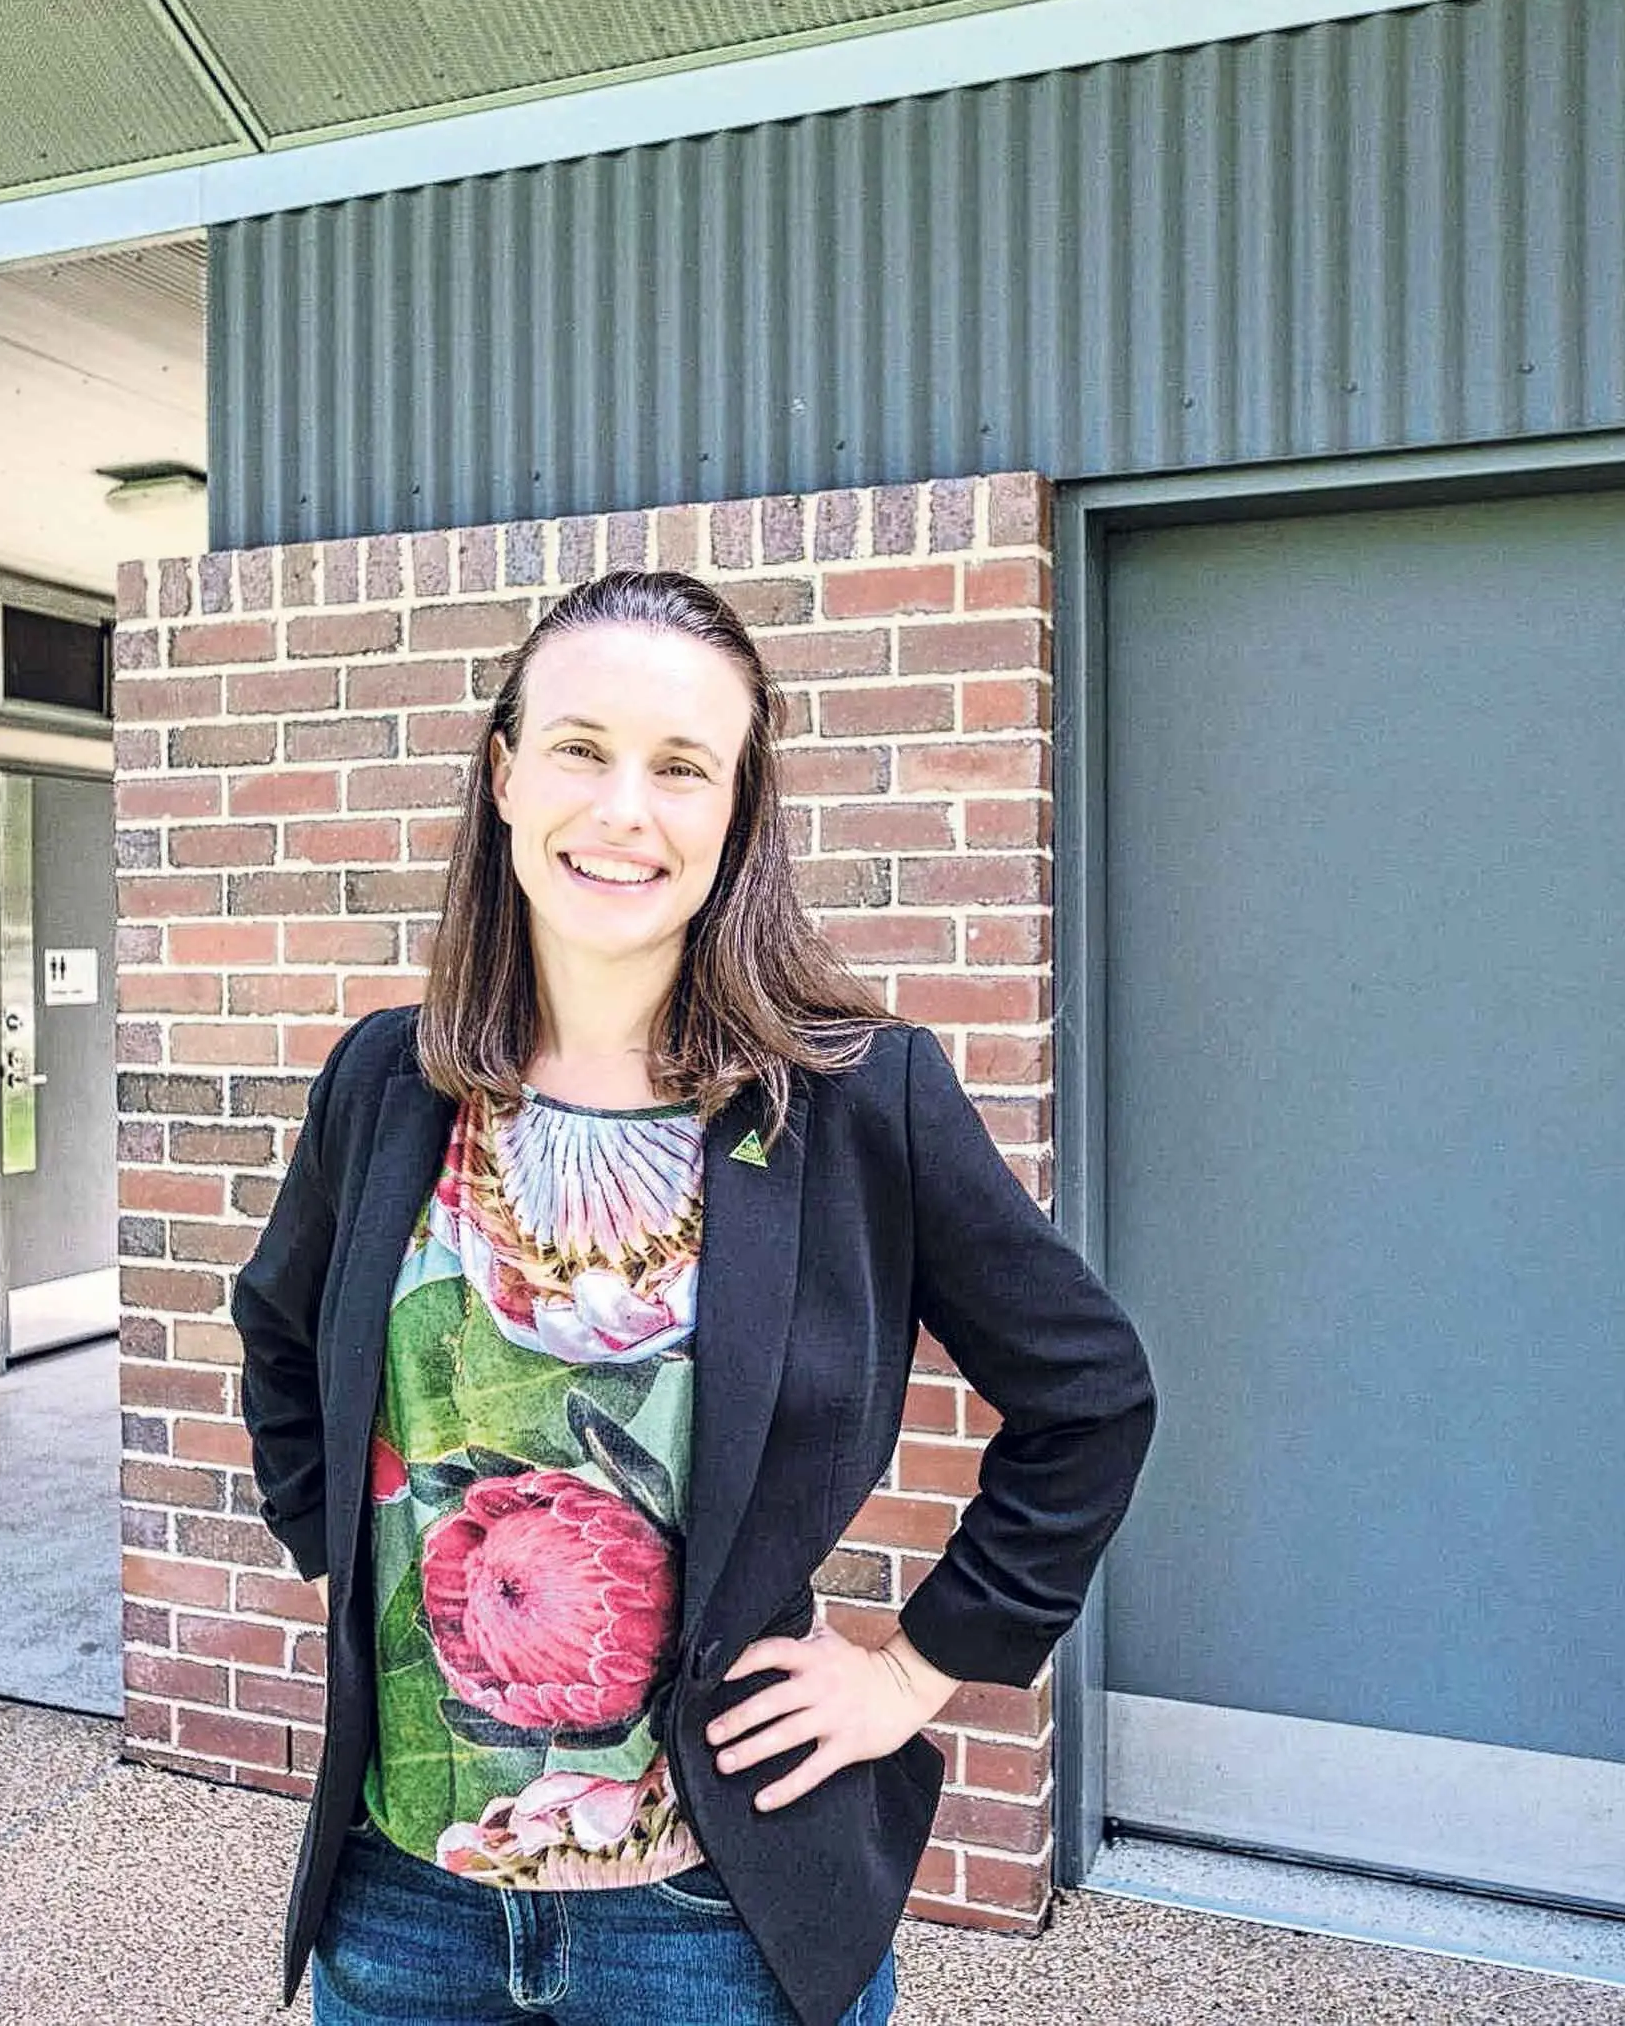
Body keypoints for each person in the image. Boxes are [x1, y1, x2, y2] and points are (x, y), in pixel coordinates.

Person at [232, 569, 1157, 2025]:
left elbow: (1090, 1395)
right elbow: (281, 1334)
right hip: (404, 1896)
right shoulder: (384, 1082)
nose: (623, 808)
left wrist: (915, 1670)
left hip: (707, 1922)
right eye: (580, 748)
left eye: (680, 767)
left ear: (734, 813)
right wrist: (346, 1561)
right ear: (503, 776)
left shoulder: (860, 1101)